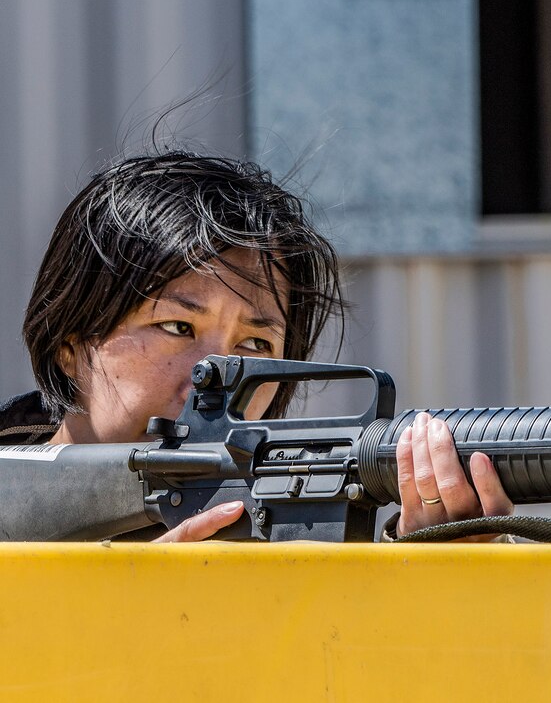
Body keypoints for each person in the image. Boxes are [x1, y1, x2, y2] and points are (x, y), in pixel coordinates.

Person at [1, 151, 513, 541]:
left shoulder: (285, 544)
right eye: (178, 327)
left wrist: (448, 574)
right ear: (71, 342)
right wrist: (131, 606)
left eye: (254, 342)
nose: (218, 376)